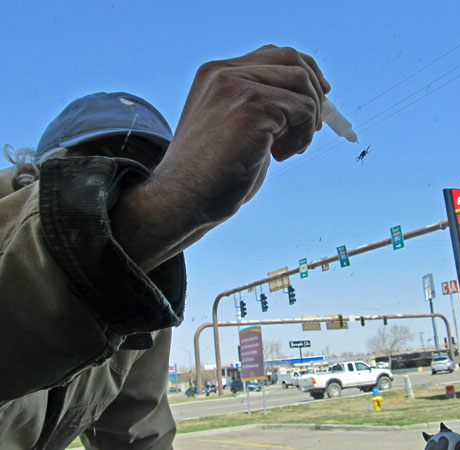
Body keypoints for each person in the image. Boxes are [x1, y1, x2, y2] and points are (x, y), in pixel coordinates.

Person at [0, 44, 330, 449]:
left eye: (147, 179)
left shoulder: (142, 300)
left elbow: (139, 436)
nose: (120, 194)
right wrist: (158, 212)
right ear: (28, 176)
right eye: (93, 173)